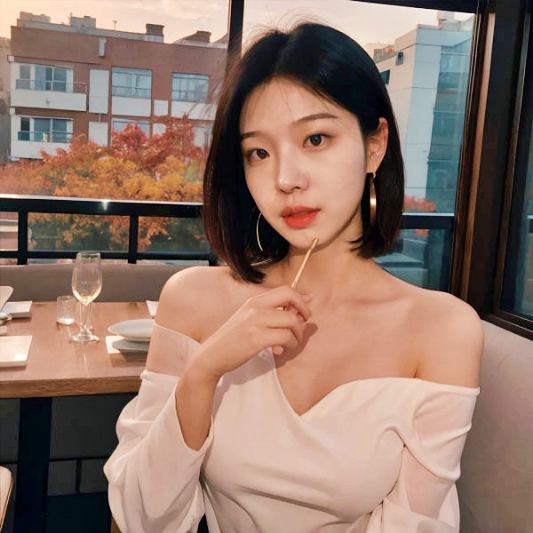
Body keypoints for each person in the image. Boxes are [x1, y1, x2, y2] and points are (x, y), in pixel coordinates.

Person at [104, 22, 484, 532]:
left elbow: (417, 524)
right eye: (258, 153)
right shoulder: (193, 299)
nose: (285, 179)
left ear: (375, 145)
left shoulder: (442, 330)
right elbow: (141, 519)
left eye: (316, 138)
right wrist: (203, 372)